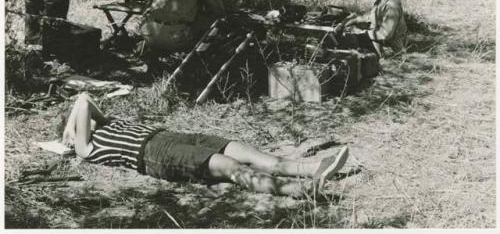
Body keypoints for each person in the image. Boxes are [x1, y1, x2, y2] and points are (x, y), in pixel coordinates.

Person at [60, 93, 350, 197]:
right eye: (79, 128)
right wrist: (69, 130)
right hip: (155, 154)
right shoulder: (89, 150)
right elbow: (83, 100)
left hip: (170, 135)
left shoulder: (107, 125)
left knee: (253, 154)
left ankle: (313, 168)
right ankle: (300, 190)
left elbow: (90, 106)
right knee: (232, 168)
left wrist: (74, 120)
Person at [339, 0, 407, 58]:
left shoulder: (391, 4)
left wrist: (360, 33)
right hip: (381, 41)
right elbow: (374, 14)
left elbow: (384, 35)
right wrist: (355, 19)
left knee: (349, 44)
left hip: (391, 48)